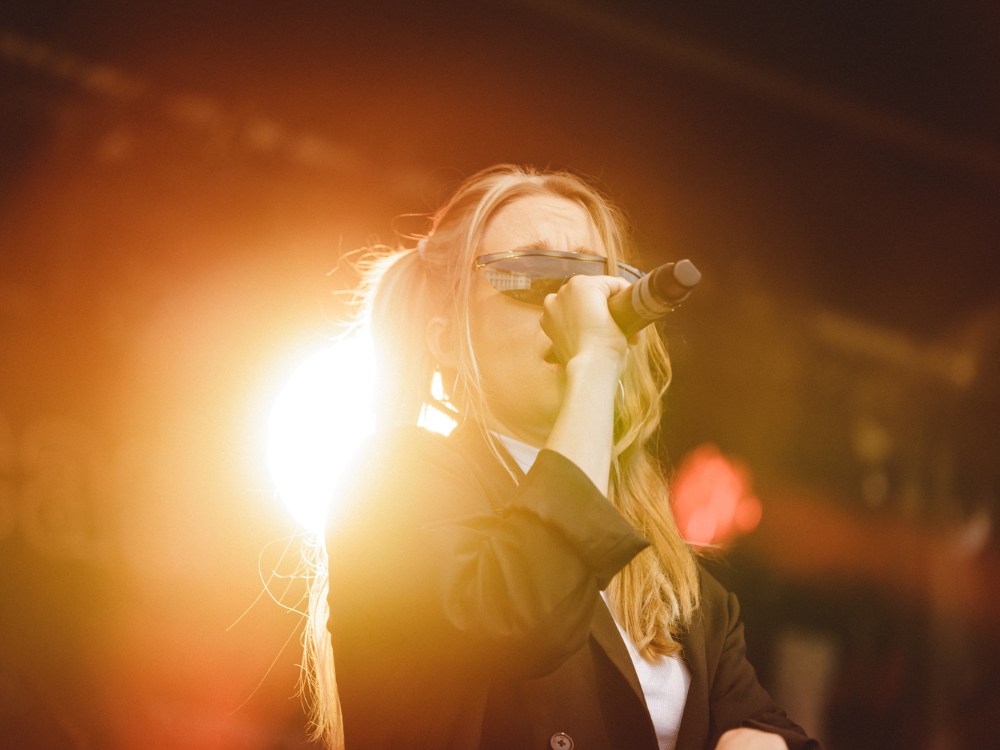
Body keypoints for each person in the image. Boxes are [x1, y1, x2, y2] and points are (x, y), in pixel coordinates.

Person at [301, 165, 822, 750]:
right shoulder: (392, 484)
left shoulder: (677, 581)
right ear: (445, 336)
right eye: (536, 275)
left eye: (598, 281)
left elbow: (770, 723)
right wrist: (593, 358)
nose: (578, 306)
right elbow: (523, 612)